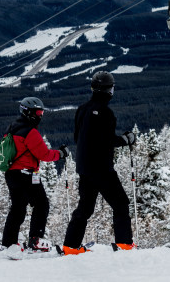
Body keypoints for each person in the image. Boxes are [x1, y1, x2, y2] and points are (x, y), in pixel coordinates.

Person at [59, 71, 137, 255]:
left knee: (85, 208)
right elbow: (107, 140)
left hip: (85, 168)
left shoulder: (82, 109)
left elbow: (78, 137)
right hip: (102, 168)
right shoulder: (106, 112)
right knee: (120, 204)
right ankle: (124, 245)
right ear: (110, 89)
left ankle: (70, 246)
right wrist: (126, 140)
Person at [2, 97, 69, 254]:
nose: (40, 115)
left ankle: (8, 243)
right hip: (26, 174)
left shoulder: (11, 128)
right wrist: (60, 153)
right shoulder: (30, 132)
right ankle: (35, 239)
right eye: (38, 112)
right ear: (28, 112)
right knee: (41, 204)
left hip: (11, 174)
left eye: (42, 112)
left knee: (18, 209)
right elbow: (44, 154)